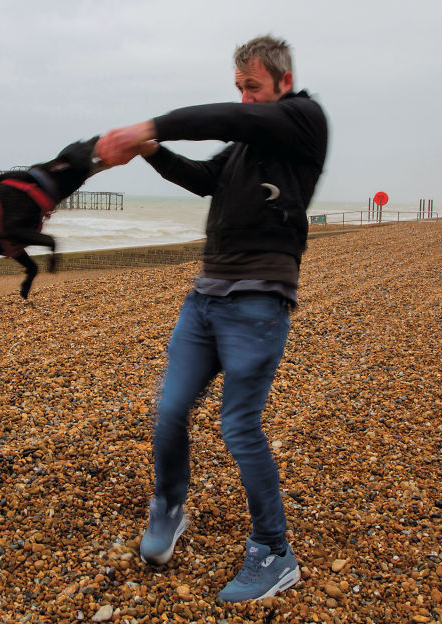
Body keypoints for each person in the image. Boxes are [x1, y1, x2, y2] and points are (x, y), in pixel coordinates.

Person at [95, 35, 328, 602]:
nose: (245, 100)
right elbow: (204, 179)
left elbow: (219, 119)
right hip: (205, 297)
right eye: (239, 88)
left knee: (239, 427)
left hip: (258, 301)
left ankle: (274, 550)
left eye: (254, 87)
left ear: (283, 83)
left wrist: (147, 126)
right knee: (170, 408)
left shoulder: (302, 120)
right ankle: (169, 506)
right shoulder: (244, 149)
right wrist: (152, 151)